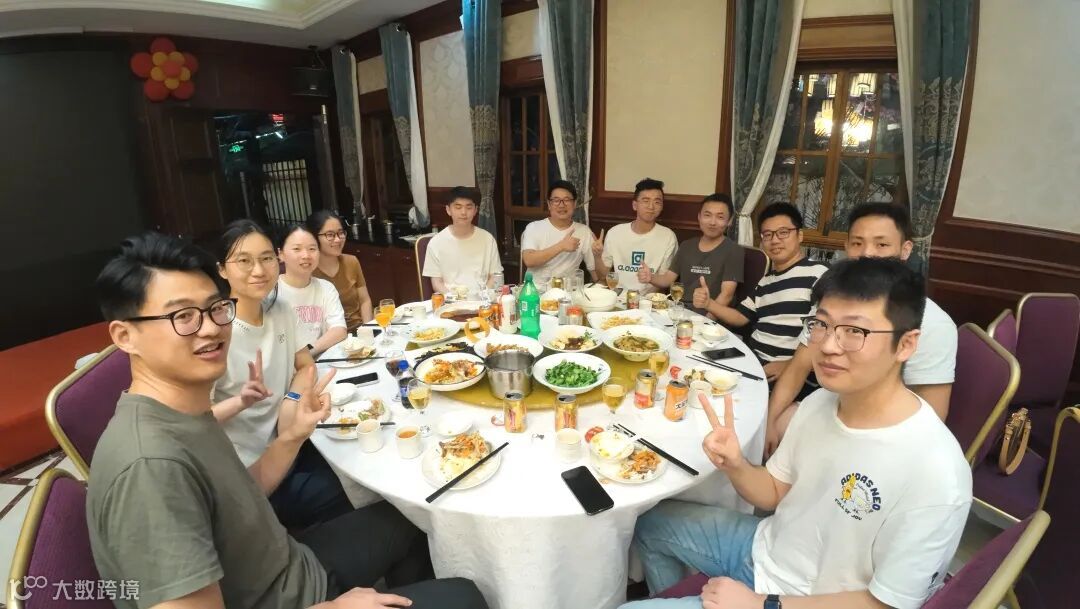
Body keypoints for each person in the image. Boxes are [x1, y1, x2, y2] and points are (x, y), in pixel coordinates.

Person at [89, 232, 488, 609]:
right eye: (183, 316)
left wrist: (291, 437)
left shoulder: (184, 412)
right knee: (465, 596)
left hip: (290, 566)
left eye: (215, 308)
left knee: (412, 516)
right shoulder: (149, 467)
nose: (210, 328)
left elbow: (242, 497)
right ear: (125, 336)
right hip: (283, 597)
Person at [620, 257, 972, 609]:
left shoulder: (937, 473)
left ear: (906, 344)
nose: (829, 345)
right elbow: (773, 492)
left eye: (855, 331)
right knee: (648, 523)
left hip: (802, 601)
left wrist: (762, 604)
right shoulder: (821, 402)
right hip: (765, 549)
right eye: (821, 325)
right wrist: (736, 464)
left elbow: (886, 604)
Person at [765, 203, 958, 455]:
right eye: (857, 243)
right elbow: (799, 365)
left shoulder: (932, 323)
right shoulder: (833, 302)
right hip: (829, 406)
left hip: (880, 436)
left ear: (905, 249)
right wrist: (769, 421)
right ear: (846, 247)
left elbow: (931, 418)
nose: (867, 254)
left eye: (881, 244)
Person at [213, 220, 351, 529]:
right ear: (222, 269)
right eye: (244, 261)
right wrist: (241, 402)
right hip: (251, 473)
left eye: (265, 258)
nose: (259, 270)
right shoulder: (214, 333)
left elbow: (306, 365)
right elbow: (193, 421)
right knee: (353, 489)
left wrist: (291, 399)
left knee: (359, 461)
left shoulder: (280, 310)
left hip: (292, 443)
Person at [702, 202, 829, 380]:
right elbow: (740, 317)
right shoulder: (765, 281)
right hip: (751, 358)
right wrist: (709, 303)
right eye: (767, 235)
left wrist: (789, 365)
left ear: (799, 235)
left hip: (786, 372)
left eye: (783, 232)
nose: (774, 240)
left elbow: (824, 333)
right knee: (700, 365)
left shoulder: (820, 274)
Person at [637, 193, 743, 312]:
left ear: (729, 221)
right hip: (681, 310)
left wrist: (707, 319)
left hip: (711, 315)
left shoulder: (734, 250)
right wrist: (650, 277)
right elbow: (668, 279)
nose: (712, 222)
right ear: (699, 217)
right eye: (707, 215)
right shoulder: (687, 246)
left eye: (720, 217)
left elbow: (726, 295)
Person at [593, 178, 678, 293]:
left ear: (662, 206)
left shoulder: (668, 237)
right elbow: (603, 276)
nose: (651, 206)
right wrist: (597, 256)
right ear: (634, 205)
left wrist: (642, 299)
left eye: (657, 202)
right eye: (645, 201)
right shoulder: (615, 233)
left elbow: (664, 281)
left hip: (648, 300)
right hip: (618, 296)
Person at [277, 224, 348, 358]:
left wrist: (307, 353)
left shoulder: (326, 288)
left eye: (312, 249)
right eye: (297, 249)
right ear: (281, 254)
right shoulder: (272, 292)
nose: (306, 255)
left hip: (322, 361)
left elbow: (339, 329)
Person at [423, 186, 503, 295]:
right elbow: (437, 283)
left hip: (482, 300)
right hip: (450, 300)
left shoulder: (488, 239)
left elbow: (495, 276)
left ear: (475, 210)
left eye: (469, 207)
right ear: (448, 210)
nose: (463, 212)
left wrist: (482, 296)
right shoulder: (436, 243)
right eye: (458, 207)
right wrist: (453, 299)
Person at [520, 179, 601, 285]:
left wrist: (598, 256)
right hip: (536, 291)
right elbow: (529, 260)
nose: (561, 205)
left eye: (567, 200)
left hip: (569, 292)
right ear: (549, 204)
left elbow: (597, 277)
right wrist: (561, 246)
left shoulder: (584, 231)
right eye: (556, 200)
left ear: (574, 204)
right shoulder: (534, 227)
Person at [309, 210, 373, 331]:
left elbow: (365, 301)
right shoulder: (308, 271)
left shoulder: (352, 261)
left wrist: (368, 329)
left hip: (359, 330)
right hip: (329, 336)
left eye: (341, 233)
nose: (338, 239)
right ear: (313, 237)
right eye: (330, 235)